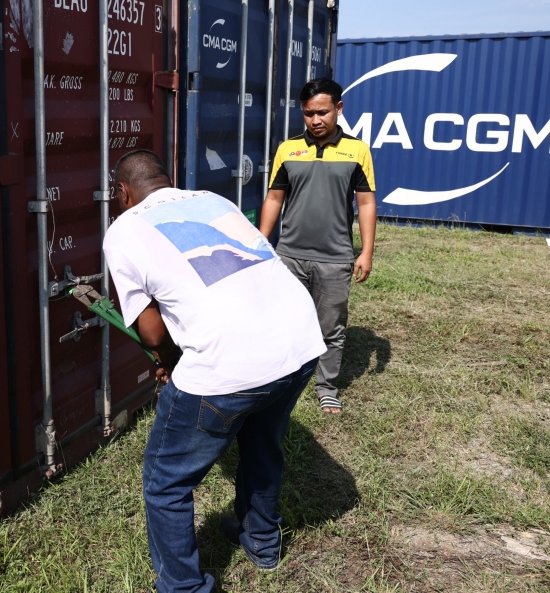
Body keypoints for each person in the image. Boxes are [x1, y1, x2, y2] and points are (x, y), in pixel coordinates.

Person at [103, 150, 326, 593]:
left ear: (122, 192)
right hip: (300, 341)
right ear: (167, 181)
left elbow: (151, 332)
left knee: (166, 481)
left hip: (230, 360)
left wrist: (170, 364)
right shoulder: (212, 199)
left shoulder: (123, 230)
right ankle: (261, 542)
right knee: (262, 442)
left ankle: (182, 587)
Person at [258, 77, 376, 415]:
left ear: (338, 109)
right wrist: (261, 241)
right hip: (290, 256)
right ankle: (280, 381)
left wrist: (365, 252)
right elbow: (274, 197)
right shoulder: (288, 149)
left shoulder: (357, 150)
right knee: (283, 322)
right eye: (308, 113)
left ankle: (326, 388)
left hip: (335, 257)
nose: (315, 120)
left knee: (330, 328)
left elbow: (366, 203)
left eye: (322, 112)